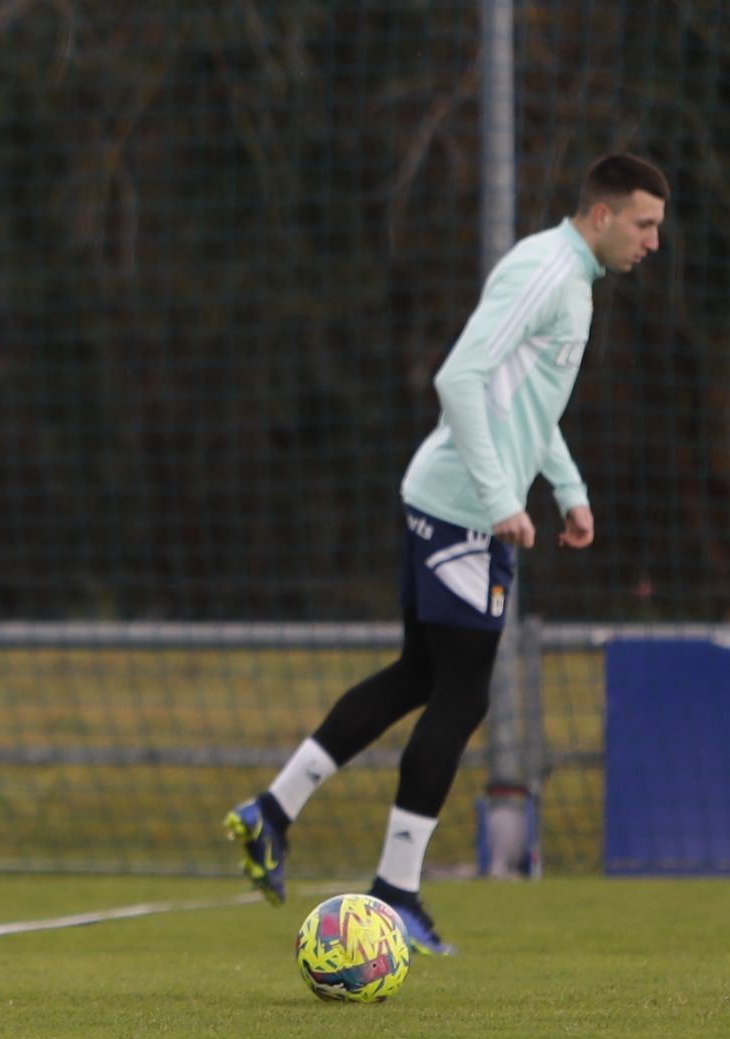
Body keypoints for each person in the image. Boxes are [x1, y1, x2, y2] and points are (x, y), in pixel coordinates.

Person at [224, 154, 668, 955]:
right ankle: (394, 892)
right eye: (644, 224)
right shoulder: (545, 270)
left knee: (421, 676)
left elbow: (527, 404)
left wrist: (568, 489)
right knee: (462, 696)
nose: (653, 242)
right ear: (601, 216)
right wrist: (502, 500)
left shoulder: (573, 280)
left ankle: (273, 811)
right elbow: (458, 377)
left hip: (453, 503)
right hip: (464, 512)